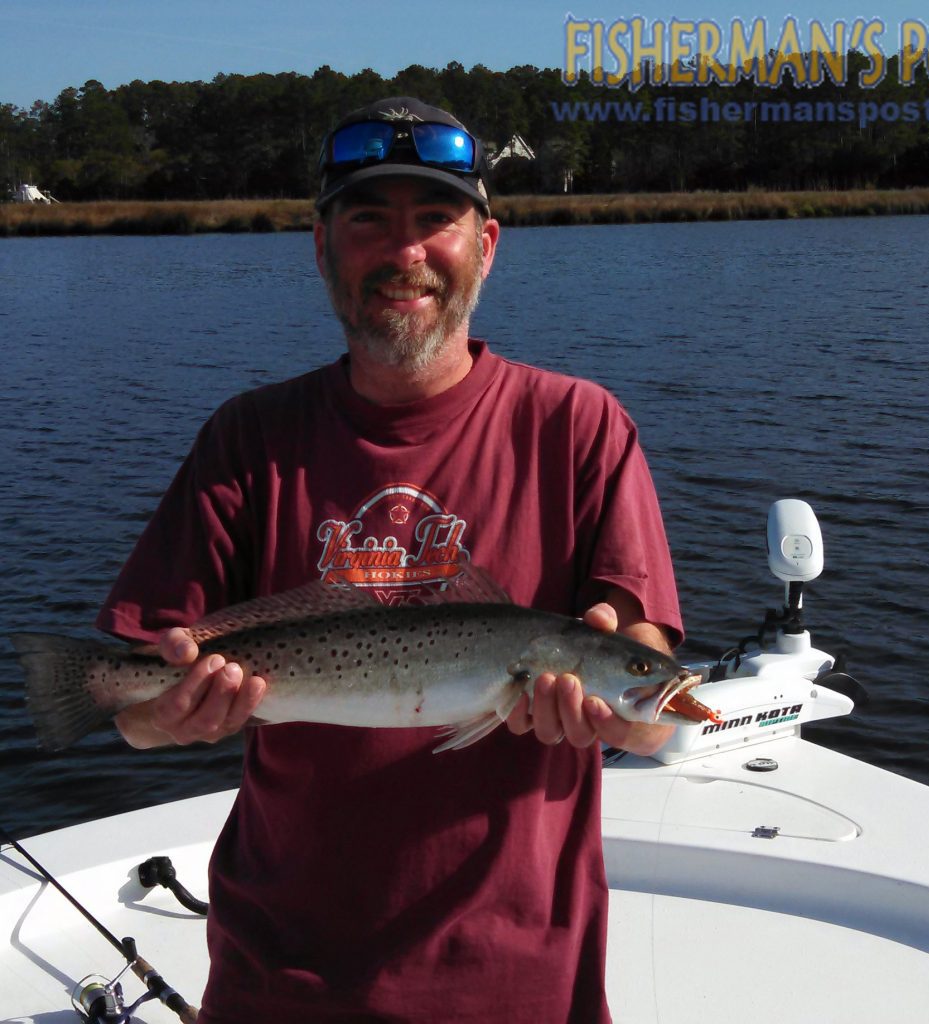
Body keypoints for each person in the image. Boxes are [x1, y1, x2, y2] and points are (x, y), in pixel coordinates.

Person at [97, 96, 683, 1023]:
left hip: (520, 982)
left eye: (435, 220)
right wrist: (169, 716)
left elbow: (654, 717)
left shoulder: (580, 428)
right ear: (321, 245)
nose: (404, 252)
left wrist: (619, 714)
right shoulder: (249, 439)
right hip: (275, 981)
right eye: (370, 218)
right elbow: (131, 706)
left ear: (486, 244)